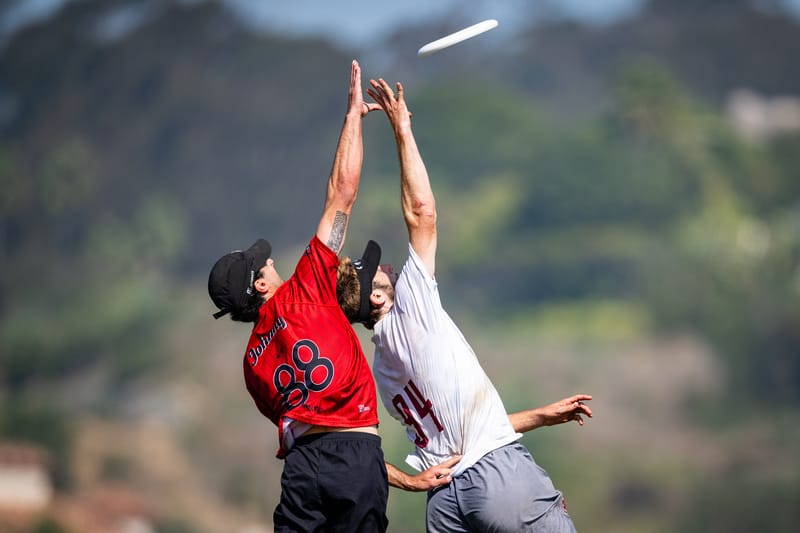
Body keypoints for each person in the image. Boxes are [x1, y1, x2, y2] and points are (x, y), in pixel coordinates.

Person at [337, 76, 593, 532]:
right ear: (376, 297)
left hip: (446, 503)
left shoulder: (382, 367)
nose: (387, 266)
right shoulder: (411, 309)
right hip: (498, 480)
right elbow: (422, 212)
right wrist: (401, 130)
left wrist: (539, 416)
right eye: (376, 270)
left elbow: (462, 432)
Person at [207, 60, 389, 533]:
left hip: (302, 468)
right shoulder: (306, 286)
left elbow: (288, 420)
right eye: (263, 265)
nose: (271, 263)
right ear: (261, 286)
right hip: (353, 452)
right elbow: (342, 194)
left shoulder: (251, 361)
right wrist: (353, 118)